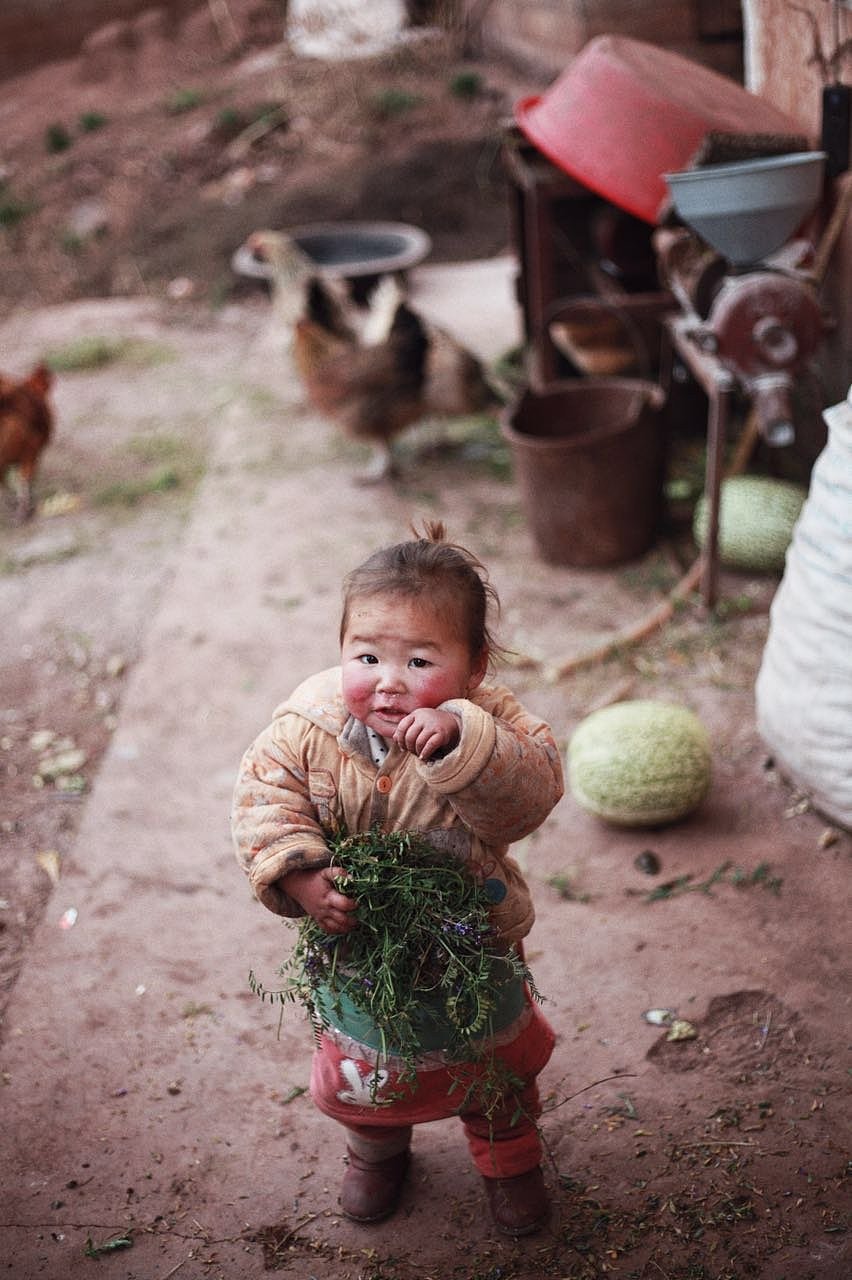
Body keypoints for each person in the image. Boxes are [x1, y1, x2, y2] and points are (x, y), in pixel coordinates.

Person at [231, 522, 563, 1235]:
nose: (388, 680)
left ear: (474, 668)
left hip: (469, 943)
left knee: (493, 1065)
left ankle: (510, 1158)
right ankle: (376, 1155)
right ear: (341, 648)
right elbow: (264, 801)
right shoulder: (305, 728)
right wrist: (302, 876)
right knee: (369, 1078)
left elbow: (531, 797)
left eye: (419, 660)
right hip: (359, 949)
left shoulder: (493, 722)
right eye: (368, 655)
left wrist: (463, 743)